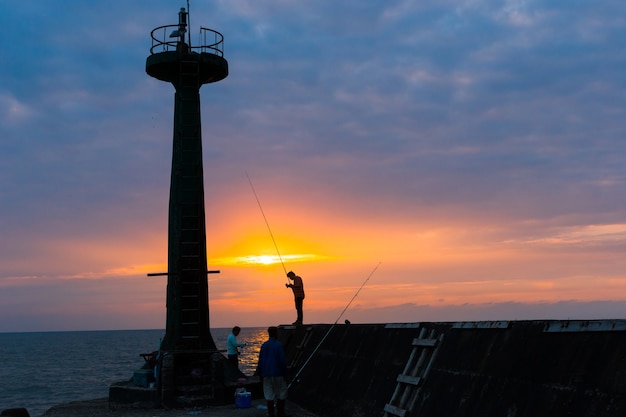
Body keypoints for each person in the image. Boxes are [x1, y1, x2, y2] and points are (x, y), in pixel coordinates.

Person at [257, 326, 289, 417]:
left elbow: (260, 361)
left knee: (269, 395)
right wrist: (285, 373)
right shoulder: (279, 345)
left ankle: (271, 413)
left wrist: (260, 374)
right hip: (278, 373)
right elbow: (282, 361)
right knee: (281, 393)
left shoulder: (264, 345)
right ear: (276, 333)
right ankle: (280, 413)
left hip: (266, 374)